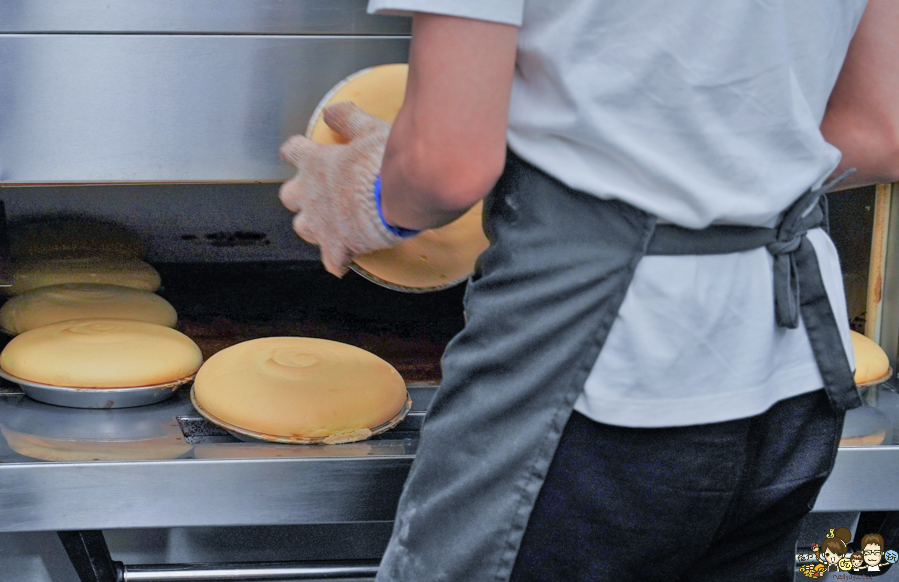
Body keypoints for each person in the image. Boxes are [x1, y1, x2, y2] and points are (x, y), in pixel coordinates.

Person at [277, 0, 899, 580]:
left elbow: (447, 165)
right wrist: (720, 175)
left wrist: (368, 193)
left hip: (604, 366)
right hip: (788, 372)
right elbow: (881, 131)